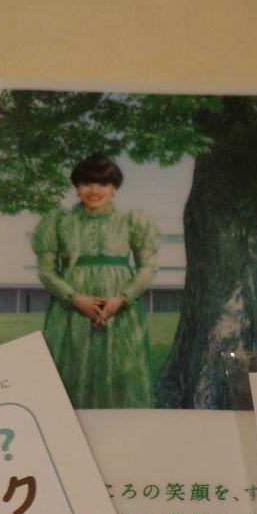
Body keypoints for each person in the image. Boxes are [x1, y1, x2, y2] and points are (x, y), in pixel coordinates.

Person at [31, 153, 159, 408]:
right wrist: (75, 298)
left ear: (114, 188)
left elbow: (148, 267)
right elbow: (46, 270)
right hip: (71, 311)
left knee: (122, 370)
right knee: (72, 369)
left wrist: (121, 299)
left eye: (103, 183)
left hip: (120, 310)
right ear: (77, 187)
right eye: (86, 183)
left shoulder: (131, 222)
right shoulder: (59, 222)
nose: (94, 190)